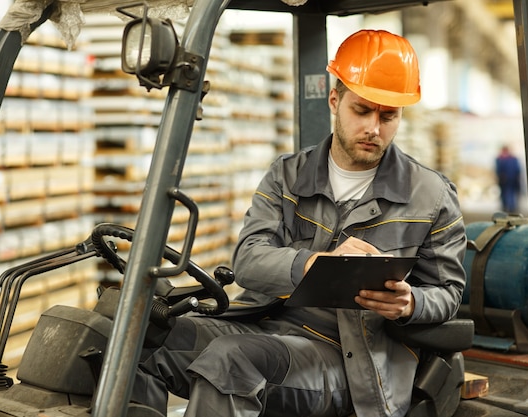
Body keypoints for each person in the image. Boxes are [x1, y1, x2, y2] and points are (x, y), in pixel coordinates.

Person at [133, 29, 467, 417]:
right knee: (143, 334)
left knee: (231, 360)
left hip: (350, 358)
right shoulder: (287, 176)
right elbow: (248, 260)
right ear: (334, 100)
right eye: (362, 110)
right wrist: (312, 264)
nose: (374, 128)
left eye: (388, 116)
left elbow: (448, 292)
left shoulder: (432, 196)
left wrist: (411, 302)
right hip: (261, 324)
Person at [495, 145, 521, 213]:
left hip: (507, 180)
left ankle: (508, 207)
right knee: (509, 194)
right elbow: (518, 170)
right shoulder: (513, 159)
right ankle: (510, 207)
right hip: (510, 180)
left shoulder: (500, 159)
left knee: (507, 194)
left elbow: (498, 170)